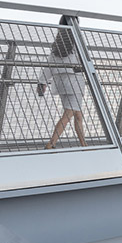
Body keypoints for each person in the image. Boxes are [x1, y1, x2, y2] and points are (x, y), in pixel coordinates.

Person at [37, 21, 87, 149]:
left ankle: (84, 145)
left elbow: (50, 65)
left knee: (77, 115)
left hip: (61, 82)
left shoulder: (57, 45)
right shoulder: (76, 42)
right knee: (68, 114)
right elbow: (84, 60)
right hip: (74, 81)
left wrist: (42, 81)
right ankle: (51, 143)